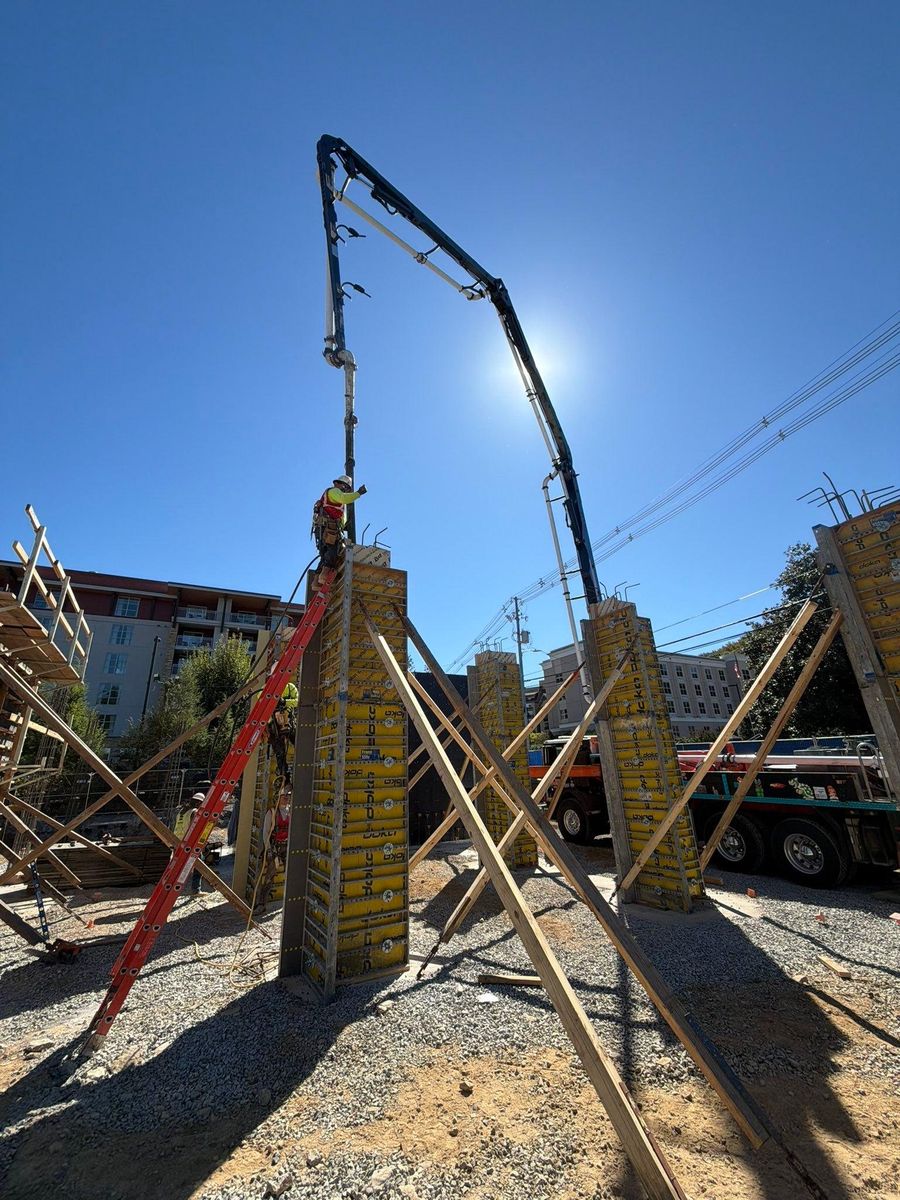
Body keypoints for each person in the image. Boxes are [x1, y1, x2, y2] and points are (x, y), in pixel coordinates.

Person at [312, 474, 366, 568]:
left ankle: (321, 574)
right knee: (332, 554)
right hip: (328, 529)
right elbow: (344, 498)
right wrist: (358, 493)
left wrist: (343, 525)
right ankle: (326, 573)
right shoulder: (334, 491)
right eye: (345, 486)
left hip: (327, 529)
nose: (345, 490)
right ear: (337, 484)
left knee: (328, 554)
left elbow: (340, 516)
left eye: (347, 488)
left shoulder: (336, 499)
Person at [172, 792, 206, 896]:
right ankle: (196, 889)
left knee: (177, 866)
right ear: (199, 803)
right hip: (188, 842)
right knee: (199, 864)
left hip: (177, 840)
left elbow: (175, 825)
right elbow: (193, 828)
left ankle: (171, 887)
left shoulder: (181, 811)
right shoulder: (194, 812)